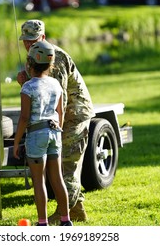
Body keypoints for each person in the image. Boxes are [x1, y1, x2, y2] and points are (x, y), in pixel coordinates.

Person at [17, 20, 95, 223]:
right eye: (25, 41)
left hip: (73, 115)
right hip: (60, 117)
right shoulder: (35, 54)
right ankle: (76, 211)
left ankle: (62, 216)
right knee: (64, 167)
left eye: (32, 40)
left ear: (42, 38)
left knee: (66, 165)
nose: (28, 45)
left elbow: (56, 97)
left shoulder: (54, 56)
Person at [13, 40, 73, 227]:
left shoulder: (28, 87)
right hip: (55, 132)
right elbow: (60, 112)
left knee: (39, 181)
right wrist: (59, 130)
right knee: (58, 179)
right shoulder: (55, 84)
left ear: (29, 64)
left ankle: (42, 224)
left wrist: (16, 143)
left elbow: (24, 118)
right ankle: (66, 220)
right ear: (51, 64)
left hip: (37, 135)